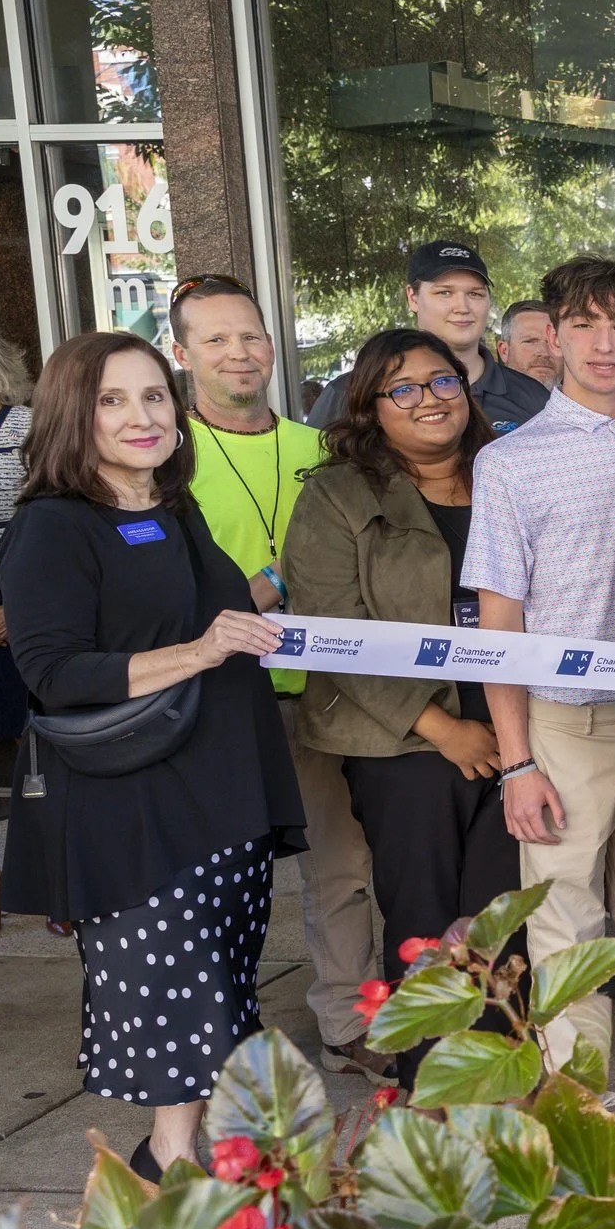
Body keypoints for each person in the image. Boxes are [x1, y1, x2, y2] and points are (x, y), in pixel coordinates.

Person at [0, 331, 301, 1178]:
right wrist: (202, 652)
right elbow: (56, 673)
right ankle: (172, 1158)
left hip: (222, 786)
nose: (142, 416)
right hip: (131, 803)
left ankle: (180, 1147)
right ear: (73, 415)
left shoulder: (174, 507)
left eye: (155, 396)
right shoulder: (51, 528)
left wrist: (282, 587)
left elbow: (222, 608)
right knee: (172, 986)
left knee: (221, 982)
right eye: (113, 400)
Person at [464, 256, 615, 1140]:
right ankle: (584, 1103)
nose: (606, 344)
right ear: (552, 335)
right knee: (565, 927)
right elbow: (499, 617)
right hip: (563, 722)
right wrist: (516, 758)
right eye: (586, 325)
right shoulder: (510, 464)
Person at [285, 328, 522, 1091]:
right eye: (404, 388)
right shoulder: (336, 493)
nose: (429, 399)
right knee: (423, 912)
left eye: (442, 381)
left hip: (515, 729)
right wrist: (442, 726)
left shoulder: (507, 474)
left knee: (498, 913)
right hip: (403, 742)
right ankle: (432, 1082)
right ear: (371, 405)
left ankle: (495, 1076)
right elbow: (334, 627)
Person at [172, 274, 387, 1082]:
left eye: (251, 335)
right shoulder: (168, 460)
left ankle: (347, 1020)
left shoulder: (320, 448)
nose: (239, 352)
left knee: (343, 868)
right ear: (183, 352)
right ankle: (216, 1034)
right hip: (222, 702)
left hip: (329, 696)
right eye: (217, 339)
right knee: (222, 880)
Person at [308, 242, 551, 433]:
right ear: (412, 298)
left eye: (475, 294)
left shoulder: (532, 397)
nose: (462, 307)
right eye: (445, 292)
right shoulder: (350, 394)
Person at [0, 328, 37, 926]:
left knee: (43, 744)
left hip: (23, 597)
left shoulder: (28, 429)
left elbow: (54, 522)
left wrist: (16, 609)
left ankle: (51, 870)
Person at [499, 299, 562, 389]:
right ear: (504, 351)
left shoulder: (584, 401)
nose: (544, 352)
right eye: (530, 341)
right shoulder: (478, 401)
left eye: (554, 342)